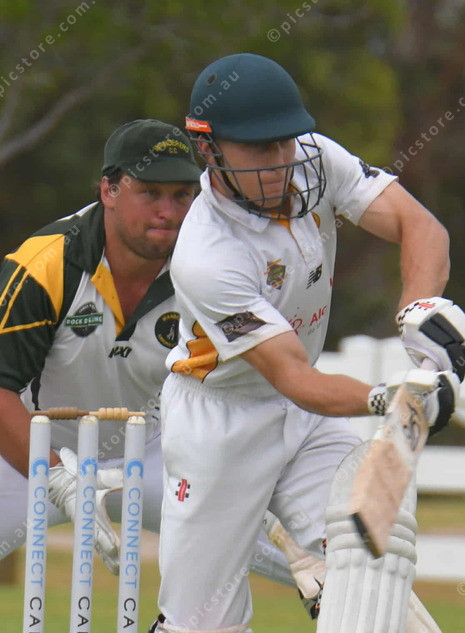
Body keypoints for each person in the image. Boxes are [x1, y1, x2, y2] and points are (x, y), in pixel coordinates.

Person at [137, 53, 465, 633]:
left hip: (303, 415)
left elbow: (420, 227)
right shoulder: (206, 254)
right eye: (259, 147)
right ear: (209, 150)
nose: (281, 160)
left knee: (369, 538)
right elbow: (296, 378)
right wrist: (394, 397)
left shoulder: (315, 161)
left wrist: (421, 317)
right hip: (220, 420)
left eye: (285, 140)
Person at [0, 118, 288, 582]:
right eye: (150, 193)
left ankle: (392, 629)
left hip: (153, 451)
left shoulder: (211, 265)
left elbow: (248, 375)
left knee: (303, 556)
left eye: (182, 195)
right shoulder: (44, 265)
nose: (168, 212)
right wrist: (58, 480)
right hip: (34, 452)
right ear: (109, 191)